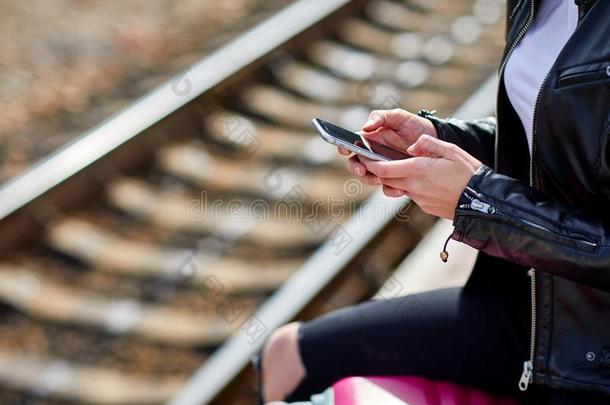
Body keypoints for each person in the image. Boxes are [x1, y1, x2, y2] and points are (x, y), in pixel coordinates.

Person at [257, 0, 610, 404]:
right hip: (535, 307)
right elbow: (558, 137)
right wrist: (440, 140)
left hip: (594, 358)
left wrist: (480, 202)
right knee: (286, 355)